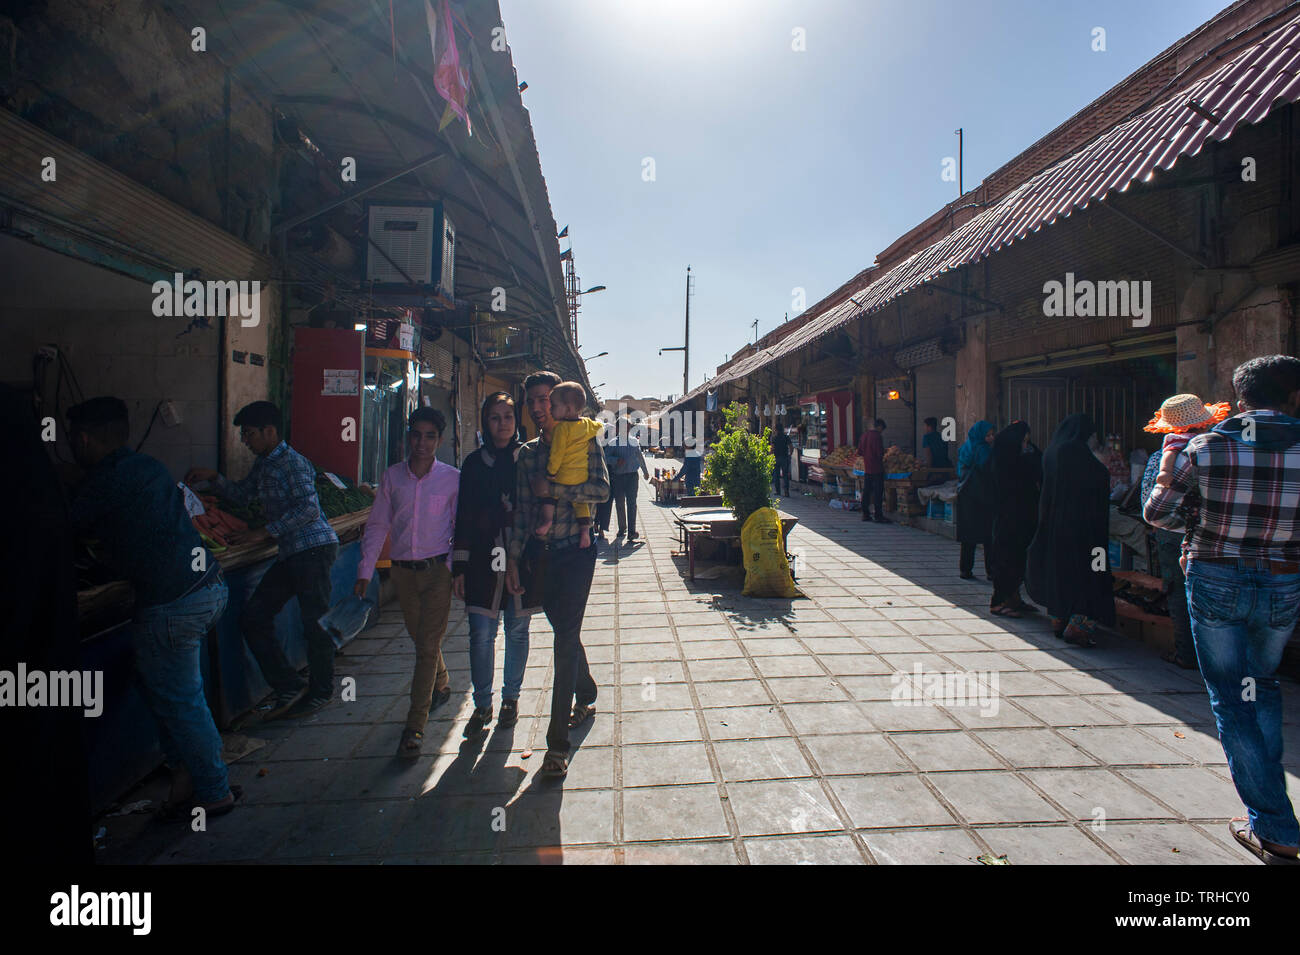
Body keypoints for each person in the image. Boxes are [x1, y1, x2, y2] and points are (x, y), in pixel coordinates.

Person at [1145, 356, 1300, 864]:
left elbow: (1158, 512)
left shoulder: (1206, 448)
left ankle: (1275, 825)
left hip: (1216, 581)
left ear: (1239, 399)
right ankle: (1274, 817)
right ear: (1294, 397)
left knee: (1234, 701)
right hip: (1282, 584)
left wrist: (1176, 476)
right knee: (1263, 686)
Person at [70, 397, 237, 819]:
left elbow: (61, 525)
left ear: (84, 440)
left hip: (173, 603)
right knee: (161, 687)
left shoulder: (102, 482)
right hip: (209, 588)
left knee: (181, 700)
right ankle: (183, 775)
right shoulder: (149, 467)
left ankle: (214, 791)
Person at [185, 400, 339, 720]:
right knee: (254, 617)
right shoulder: (265, 464)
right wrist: (214, 480)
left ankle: (322, 690)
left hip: (312, 550)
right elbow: (242, 495)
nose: (245, 440)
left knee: (315, 624)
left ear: (270, 431)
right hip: (291, 553)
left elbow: (309, 509)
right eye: (243, 434)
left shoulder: (292, 463)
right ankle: (289, 685)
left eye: (249, 433)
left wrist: (264, 532)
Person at [505, 370, 610, 779]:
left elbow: (602, 491)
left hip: (576, 556)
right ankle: (585, 691)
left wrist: (556, 492)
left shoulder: (586, 440)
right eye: (531, 400)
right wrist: (513, 559)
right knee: (565, 631)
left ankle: (556, 747)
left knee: (564, 639)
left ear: (562, 403)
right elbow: (520, 512)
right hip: (540, 557)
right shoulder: (527, 454)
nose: (537, 407)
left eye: (544, 399)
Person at [355, 407, 458, 757]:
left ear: (439, 440)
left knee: (426, 647)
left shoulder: (451, 479)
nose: (422, 442)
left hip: (437, 574)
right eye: (417, 435)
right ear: (407, 437)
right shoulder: (392, 478)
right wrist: (365, 571)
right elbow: (377, 525)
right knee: (422, 640)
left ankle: (414, 727)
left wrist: (451, 567)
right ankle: (442, 682)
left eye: (430, 436)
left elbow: (459, 528)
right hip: (402, 573)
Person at [452, 392, 531, 737]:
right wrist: (459, 564)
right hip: (483, 558)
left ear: (517, 420)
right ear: (486, 421)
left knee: (517, 629)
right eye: (495, 417)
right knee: (481, 633)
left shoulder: (528, 458)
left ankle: (510, 699)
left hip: (522, 555)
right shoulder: (473, 463)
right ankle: (482, 703)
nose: (502, 424)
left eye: (508, 417)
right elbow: (464, 515)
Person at [1139, 393, 1230, 670]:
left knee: (1179, 590)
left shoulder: (1163, 456)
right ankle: (1219, 659)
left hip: (1175, 532)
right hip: (1215, 533)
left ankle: (1186, 653)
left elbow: (1150, 507)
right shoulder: (1224, 450)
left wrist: (1185, 524)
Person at [1025, 413, 1114, 646]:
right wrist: (1103, 465)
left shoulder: (1053, 451)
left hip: (1055, 525)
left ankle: (1059, 618)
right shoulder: (1074, 452)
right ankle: (1079, 626)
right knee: (1090, 573)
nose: (1094, 439)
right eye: (1092, 434)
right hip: (1083, 530)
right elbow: (1097, 479)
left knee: (1060, 572)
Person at [536, 381, 603, 548]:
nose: (550, 409)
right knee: (581, 506)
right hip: (581, 477)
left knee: (549, 496)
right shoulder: (586, 424)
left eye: (554, 406)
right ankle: (584, 533)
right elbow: (599, 426)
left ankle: (546, 522)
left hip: (562, 475)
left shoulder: (562, 429)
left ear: (568, 409)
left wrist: (551, 473)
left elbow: (556, 454)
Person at [988, 421, 1040, 617]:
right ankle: (998, 601)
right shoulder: (1005, 462)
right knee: (1006, 559)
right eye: (1023, 441)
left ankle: (1014, 598)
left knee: (1017, 559)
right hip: (1008, 519)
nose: (1026, 445)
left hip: (1020, 518)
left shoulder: (1014, 459)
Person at [956, 420, 995, 580]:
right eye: (988, 435)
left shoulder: (966, 447)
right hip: (983, 497)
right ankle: (991, 571)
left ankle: (965, 569)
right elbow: (990, 472)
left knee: (968, 537)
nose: (991, 438)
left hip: (966, 495)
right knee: (989, 537)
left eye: (992, 435)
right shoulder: (984, 450)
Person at [608, 413, 650, 541]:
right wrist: (615, 460)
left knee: (632, 503)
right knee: (620, 503)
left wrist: (645, 471)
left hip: (632, 477)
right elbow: (605, 458)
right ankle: (622, 528)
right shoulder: (612, 443)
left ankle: (632, 531)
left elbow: (640, 457)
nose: (625, 429)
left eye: (627, 427)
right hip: (618, 477)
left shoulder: (634, 441)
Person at [857, 418, 887, 523]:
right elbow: (880, 453)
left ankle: (865, 514)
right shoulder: (877, 436)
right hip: (877, 468)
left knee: (866, 491)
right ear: (879, 427)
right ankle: (878, 515)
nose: (881, 431)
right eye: (882, 429)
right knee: (878, 492)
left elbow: (859, 452)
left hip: (867, 468)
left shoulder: (864, 436)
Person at [772, 425, 792, 497]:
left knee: (776, 475)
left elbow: (772, 448)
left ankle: (778, 491)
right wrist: (790, 455)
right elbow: (791, 447)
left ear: (776, 430)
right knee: (785, 475)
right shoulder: (786, 437)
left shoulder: (774, 438)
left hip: (776, 458)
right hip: (784, 457)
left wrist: (771, 455)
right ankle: (786, 492)